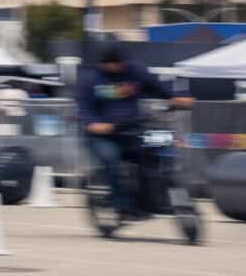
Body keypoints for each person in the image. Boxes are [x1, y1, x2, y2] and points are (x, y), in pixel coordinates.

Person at [76, 43, 193, 219]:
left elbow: (156, 87)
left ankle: (158, 195)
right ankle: (124, 207)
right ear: (103, 64)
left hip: (133, 129)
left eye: (121, 62)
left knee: (165, 141)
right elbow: (86, 112)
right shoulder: (90, 81)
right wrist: (99, 125)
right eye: (114, 63)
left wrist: (175, 99)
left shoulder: (134, 70)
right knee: (111, 159)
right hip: (103, 136)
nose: (119, 67)